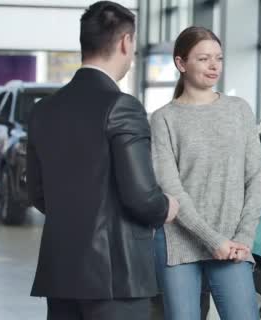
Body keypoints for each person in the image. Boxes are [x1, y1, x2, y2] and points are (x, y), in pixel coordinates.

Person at [26, 2, 178, 319]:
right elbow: (141, 197)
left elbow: (38, 194)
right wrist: (167, 206)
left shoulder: (44, 109)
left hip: (61, 273)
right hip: (115, 278)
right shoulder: (122, 106)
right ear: (125, 42)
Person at [151, 26, 261, 320]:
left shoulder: (239, 110)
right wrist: (214, 241)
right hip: (180, 244)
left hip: (234, 245)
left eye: (219, 58)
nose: (214, 66)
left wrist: (244, 238)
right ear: (181, 63)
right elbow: (171, 189)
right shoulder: (164, 118)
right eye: (203, 59)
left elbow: (255, 179)